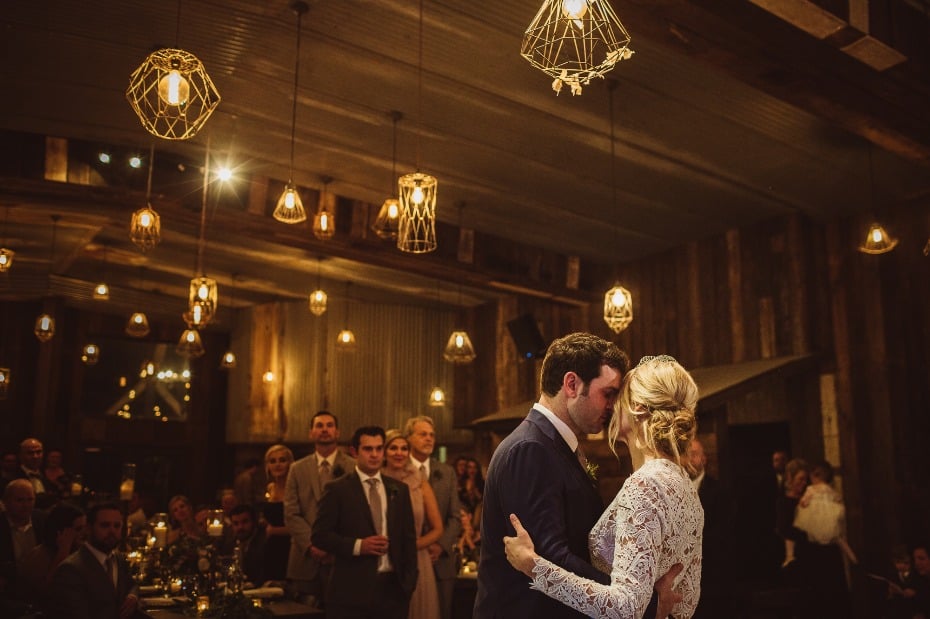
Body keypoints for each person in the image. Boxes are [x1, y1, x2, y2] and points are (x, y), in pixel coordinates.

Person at [504, 354, 704, 618]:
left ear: (639, 408)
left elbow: (626, 608)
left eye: (617, 396)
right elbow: (687, 598)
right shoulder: (684, 486)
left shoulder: (645, 484)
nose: (611, 406)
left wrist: (535, 567)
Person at [475, 332, 629, 618]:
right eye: (608, 394)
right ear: (571, 384)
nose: (612, 406)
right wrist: (629, 601)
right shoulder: (531, 448)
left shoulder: (551, 444)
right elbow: (550, 557)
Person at [312, 426, 418, 619]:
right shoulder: (337, 489)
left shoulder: (398, 489)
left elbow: (408, 539)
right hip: (351, 591)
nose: (375, 455)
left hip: (394, 590)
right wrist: (359, 546)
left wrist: (408, 583)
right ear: (354, 452)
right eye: (368, 449)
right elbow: (319, 536)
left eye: (379, 448)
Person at [285, 411, 356, 606]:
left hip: (341, 557)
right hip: (305, 557)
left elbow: (356, 512)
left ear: (337, 432)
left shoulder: (352, 467)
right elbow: (291, 513)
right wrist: (312, 545)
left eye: (329, 425)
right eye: (319, 426)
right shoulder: (297, 469)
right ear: (311, 433)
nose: (325, 429)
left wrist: (333, 545)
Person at [404, 415, 462, 619]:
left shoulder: (446, 472)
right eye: (422, 434)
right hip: (408, 558)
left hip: (441, 562)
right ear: (409, 438)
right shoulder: (399, 470)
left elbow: (455, 517)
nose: (429, 439)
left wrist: (440, 546)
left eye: (432, 435)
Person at [383, 429, 443, 619]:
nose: (399, 453)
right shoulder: (376, 479)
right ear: (384, 451)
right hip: (382, 556)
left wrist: (412, 545)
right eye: (393, 448)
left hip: (416, 558)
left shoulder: (419, 481)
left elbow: (438, 528)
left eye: (403, 448)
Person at [50, 501, 142, 619]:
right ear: (88, 528)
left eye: (117, 526)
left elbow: (132, 583)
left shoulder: (117, 558)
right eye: (105, 525)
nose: (112, 531)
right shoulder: (71, 569)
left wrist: (132, 596)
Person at [687, 438, 730, 619]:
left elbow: (723, 531)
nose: (689, 459)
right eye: (686, 455)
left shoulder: (720, 491)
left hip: (712, 570)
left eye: (694, 455)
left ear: (704, 459)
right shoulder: (676, 488)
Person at [17, 502, 86, 607]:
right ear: (61, 531)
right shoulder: (39, 556)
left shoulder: (82, 552)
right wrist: (63, 550)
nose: (84, 533)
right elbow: (46, 593)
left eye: (84, 528)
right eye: (78, 529)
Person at [0, 479, 45, 598]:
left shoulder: (42, 520)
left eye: (30, 500)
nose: (26, 506)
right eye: (19, 500)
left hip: (40, 586)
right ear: (5, 502)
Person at [261, 443, 294, 581]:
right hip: (271, 546)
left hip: (291, 546)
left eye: (282, 460)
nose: (277, 464)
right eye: (272, 461)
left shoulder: (294, 488)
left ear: (290, 463)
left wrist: (274, 530)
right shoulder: (270, 488)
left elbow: (303, 525)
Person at [227, 503, 268, 586]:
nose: (240, 527)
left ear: (253, 522)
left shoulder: (264, 542)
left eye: (245, 522)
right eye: (236, 523)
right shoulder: (229, 545)